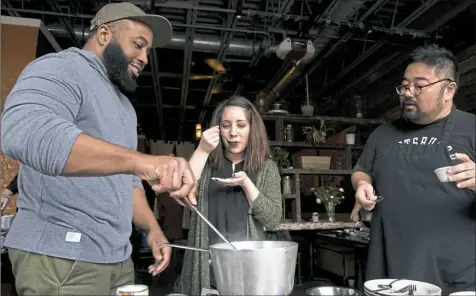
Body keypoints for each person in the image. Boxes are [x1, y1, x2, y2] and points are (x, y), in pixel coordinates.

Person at [0, 2, 196, 295]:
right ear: (104, 35)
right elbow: (24, 131)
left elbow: (127, 182)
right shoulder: (62, 67)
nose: (144, 58)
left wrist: (153, 230)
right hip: (62, 260)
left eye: (147, 51)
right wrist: (143, 161)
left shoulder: (126, 108)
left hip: (117, 259)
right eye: (138, 45)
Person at [352, 44, 475, 293]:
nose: (408, 93)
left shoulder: (472, 128)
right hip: (391, 267)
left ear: (449, 89)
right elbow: (362, 169)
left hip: (457, 270)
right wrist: (362, 184)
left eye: (419, 86)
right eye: (404, 85)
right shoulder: (382, 134)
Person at [177, 96, 283, 295]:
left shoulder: (267, 169)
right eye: (226, 125)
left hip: (249, 269)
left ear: (252, 129)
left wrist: (246, 184)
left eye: (241, 125)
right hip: (207, 267)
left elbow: (273, 220)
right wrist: (202, 149)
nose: (233, 133)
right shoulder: (207, 165)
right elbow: (183, 192)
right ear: (218, 130)